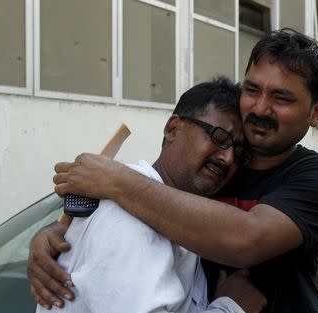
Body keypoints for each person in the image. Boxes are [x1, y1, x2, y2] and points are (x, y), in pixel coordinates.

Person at [30, 28, 318, 313]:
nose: (261, 108)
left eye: (281, 97)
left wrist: (116, 181)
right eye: (252, 90)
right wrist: (59, 236)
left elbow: (246, 239)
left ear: (316, 112)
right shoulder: (201, 176)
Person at [31, 78, 267, 313]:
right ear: (173, 128)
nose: (228, 159)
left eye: (238, 152)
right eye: (219, 137)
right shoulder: (128, 215)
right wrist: (231, 307)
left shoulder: (183, 221)